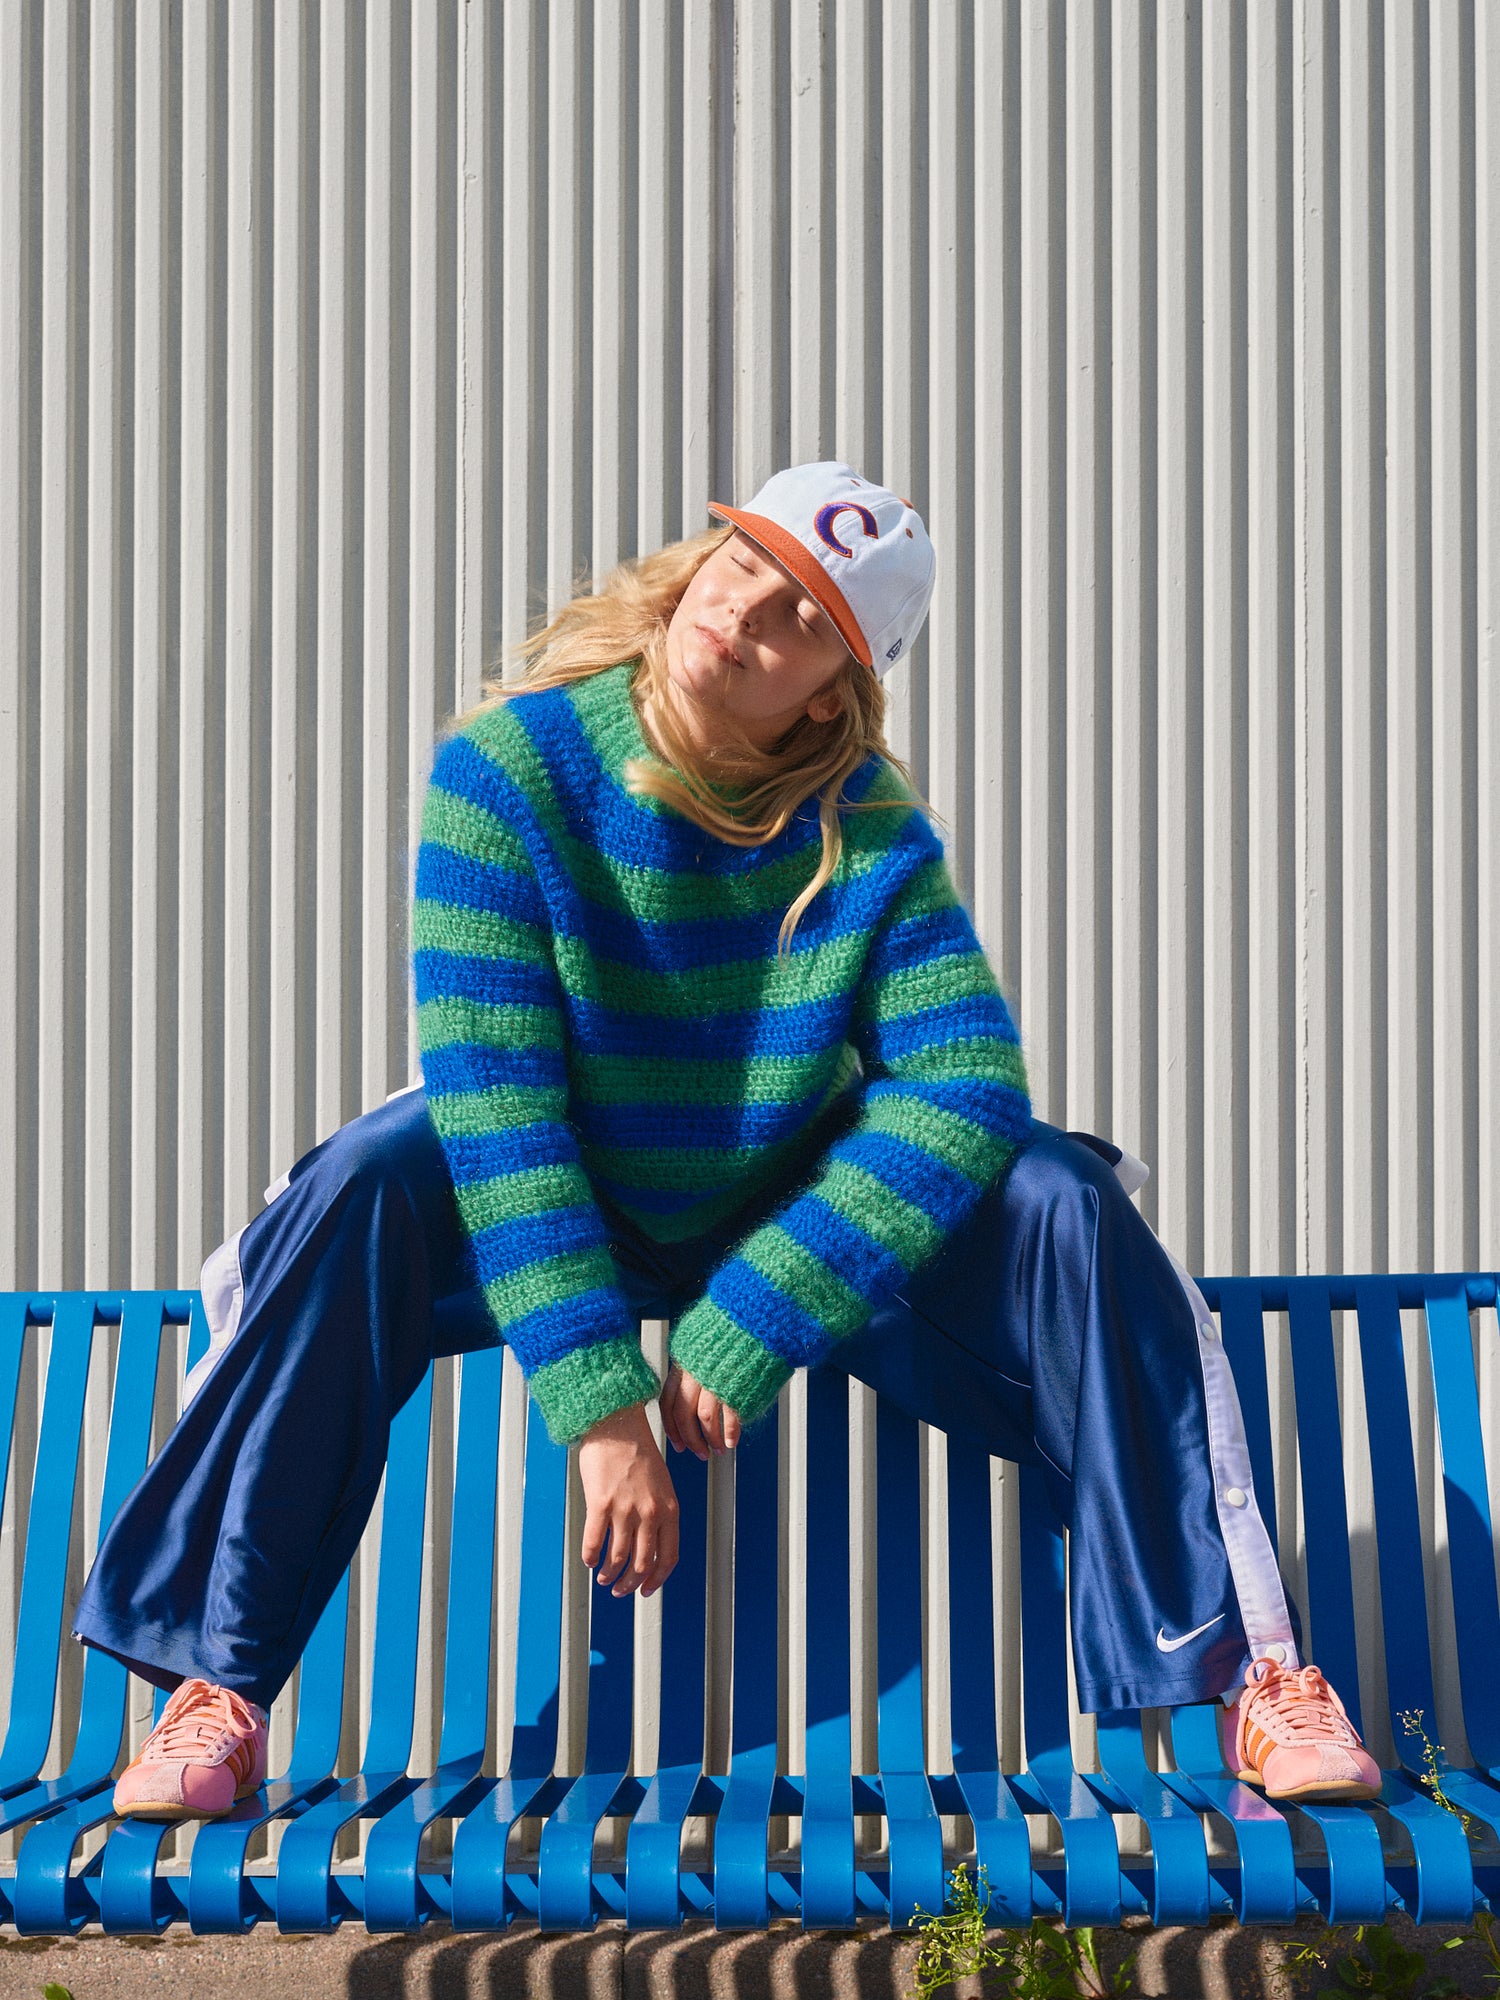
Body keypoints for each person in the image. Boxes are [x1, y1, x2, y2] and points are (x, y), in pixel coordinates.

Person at [73, 461, 1380, 1822]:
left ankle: (1253, 1669)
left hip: (791, 1195)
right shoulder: (506, 773)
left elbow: (965, 1081)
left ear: (829, 689)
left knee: (1068, 1200)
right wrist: (601, 1408)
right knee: (350, 1191)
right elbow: (499, 1104)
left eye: (807, 614)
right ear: (703, 560)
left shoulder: (860, 823)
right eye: (749, 561)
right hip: (564, 1179)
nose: (752, 608)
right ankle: (214, 1688)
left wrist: (763, 1306)